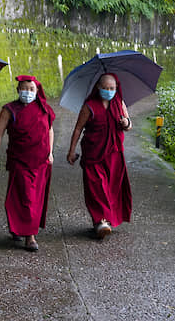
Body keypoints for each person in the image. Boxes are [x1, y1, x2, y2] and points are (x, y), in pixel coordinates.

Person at [0, 75, 55, 252]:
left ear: (37, 91)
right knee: (24, 196)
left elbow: (49, 130)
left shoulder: (44, 109)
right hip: (19, 159)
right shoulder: (9, 109)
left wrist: (50, 152)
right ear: (18, 90)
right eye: (24, 89)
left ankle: (22, 228)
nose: (27, 93)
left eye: (31, 90)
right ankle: (30, 236)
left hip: (40, 161)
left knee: (35, 198)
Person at [66, 73, 133, 238]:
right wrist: (71, 150)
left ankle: (104, 221)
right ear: (98, 87)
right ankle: (101, 221)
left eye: (112, 88)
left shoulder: (119, 103)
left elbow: (128, 124)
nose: (109, 91)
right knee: (97, 187)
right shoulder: (89, 106)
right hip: (93, 153)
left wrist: (127, 123)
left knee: (111, 188)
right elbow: (77, 129)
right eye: (105, 88)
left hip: (114, 154)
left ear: (116, 89)